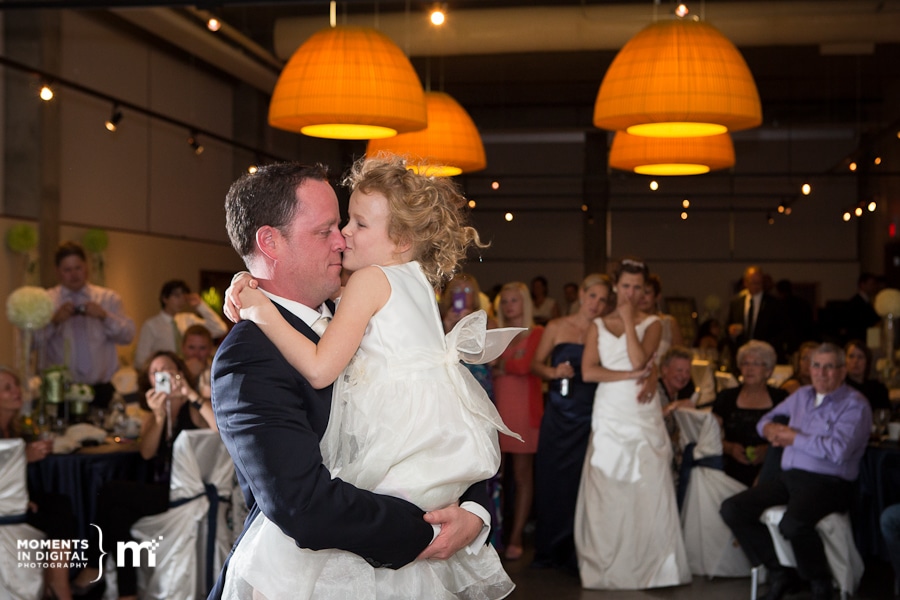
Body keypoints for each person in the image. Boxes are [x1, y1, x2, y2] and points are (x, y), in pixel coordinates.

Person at [214, 158, 514, 600]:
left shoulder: (360, 308)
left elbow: (440, 431)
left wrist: (472, 515)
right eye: (326, 230)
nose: (342, 239)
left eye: (348, 224)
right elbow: (304, 505)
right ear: (270, 242)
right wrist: (424, 532)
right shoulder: (249, 357)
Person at [719, 343, 872, 600]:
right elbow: (764, 421)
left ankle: (819, 581)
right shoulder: (801, 395)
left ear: (842, 371)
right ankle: (779, 572)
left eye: (829, 367)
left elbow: (839, 450)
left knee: (793, 524)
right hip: (791, 477)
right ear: (809, 368)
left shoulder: (855, 404)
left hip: (830, 482)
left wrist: (794, 437)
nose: (821, 373)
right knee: (733, 508)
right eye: (816, 366)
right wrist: (768, 430)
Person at [574, 257, 691, 590]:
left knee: (647, 484)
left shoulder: (653, 322)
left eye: (637, 287)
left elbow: (641, 359)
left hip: (642, 413)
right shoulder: (597, 325)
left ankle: (654, 568)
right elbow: (588, 371)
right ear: (616, 286)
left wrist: (628, 322)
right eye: (625, 286)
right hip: (610, 409)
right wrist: (628, 375)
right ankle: (607, 566)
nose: (631, 292)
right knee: (607, 486)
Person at [76, 351, 215, 599]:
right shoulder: (151, 414)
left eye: (168, 370)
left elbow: (219, 429)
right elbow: (147, 453)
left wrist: (190, 394)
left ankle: (94, 564)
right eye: (155, 373)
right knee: (118, 515)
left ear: (179, 373)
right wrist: (160, 416)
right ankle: (127, 594)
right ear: (149, 381)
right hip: (161, 490)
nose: (162, 376)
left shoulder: (193, 408)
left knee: (110, 491)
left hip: (188, 492)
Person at [529, 273, 610, 571]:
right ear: (581, 295)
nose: (596, 304)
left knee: (582, 484)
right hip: (558, 416)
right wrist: (552, 373)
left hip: (591, 416)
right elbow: (535, 364)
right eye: (592, 297)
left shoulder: (604, 332)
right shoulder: (556, 326)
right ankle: (549, 550)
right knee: (551, 481)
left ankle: (579, 553)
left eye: (603, 300)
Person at [0, 367, 75, 600]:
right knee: (58, 512)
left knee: (61, 504)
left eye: (15, 385)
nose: (16, 392)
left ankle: (57, 582)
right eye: (6, 388)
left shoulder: (14, 427)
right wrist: (24, 457)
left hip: (16, 500)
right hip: (4, 509)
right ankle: (59, 586)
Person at [37, 241, 135, 409]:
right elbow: (32, 342)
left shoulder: (108, 298)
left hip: (101, 388)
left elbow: (128, 336)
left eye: (78, 268)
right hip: (60, 391)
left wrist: (104, 316)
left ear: (86, 267)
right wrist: (54, 321)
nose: (74, 274)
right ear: (57, 271)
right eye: (67, 270)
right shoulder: (46, 300)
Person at [493, 281, 544, 561]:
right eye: (505, 300)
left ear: (525, 303)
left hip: (524, 412)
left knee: (522, 477)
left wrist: (501, 365)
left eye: (515, 300)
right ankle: (495, 535)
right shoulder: (499, 333)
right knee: (493, 476)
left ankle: (516, 538)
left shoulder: (537, 332)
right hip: (497, 410)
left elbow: (525, 366)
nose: (509, 306)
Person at [712, 341, 789, 488]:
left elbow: (792, 435)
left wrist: (768, 451)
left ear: (768, 370)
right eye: (745, 363)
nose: (749, 369)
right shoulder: (726, 397)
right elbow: (708, 435)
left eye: (756, 364)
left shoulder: (781, 398)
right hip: (729, 470)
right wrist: (729, 448)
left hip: (770, 469)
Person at [133, 279, 228, 369]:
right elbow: (140, 360)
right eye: (177, 296)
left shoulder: (188, 319)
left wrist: (200, 305)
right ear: (165, 298)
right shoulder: (151, 325)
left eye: (184, 296)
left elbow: (220, 329)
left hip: (189, 371)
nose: (181, 300)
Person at [726, 265, 788, 364]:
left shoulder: (773, 303)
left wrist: (763, 347)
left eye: (759, 283)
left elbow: (782, 331)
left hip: (764, 356)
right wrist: (732, 331)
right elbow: (727, 327)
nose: (756, 286)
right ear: (745, 283)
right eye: (753, 282)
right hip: (741, 356)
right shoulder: (736, 303)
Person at [640, 273, 685, 364]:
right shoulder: (629, 322)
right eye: (639, 292)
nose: (642, 297)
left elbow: (680, 358)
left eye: (647, 292)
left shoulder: (669, 323)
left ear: (657, 296)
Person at [844, 339, 891, 411]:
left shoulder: (878, 389)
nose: (855, 361)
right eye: (851, 356)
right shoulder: (839, 389)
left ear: (867, 362)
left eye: (860, 357)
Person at [842, 272, 881, 344]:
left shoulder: (870, 301)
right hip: (859, 340)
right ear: (863, 285)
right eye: (871, 284)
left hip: (869, 338)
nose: (874, 287)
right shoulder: (855, 303)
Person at [181, 324, 215, 399]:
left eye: (202, 348)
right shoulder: (174, 370)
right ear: (183, 347)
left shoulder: (217, 371)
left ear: (210, 349)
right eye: (191, 347)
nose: (196, 353)